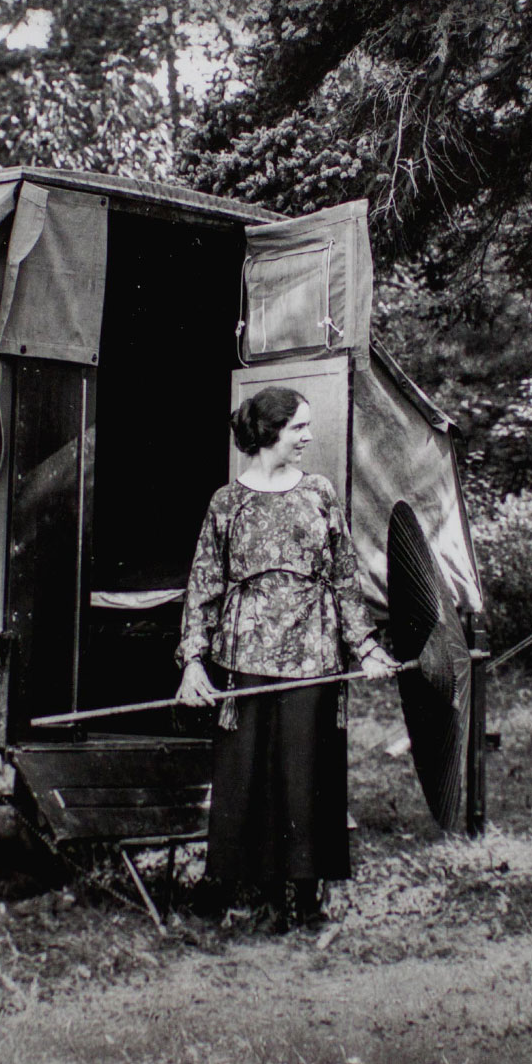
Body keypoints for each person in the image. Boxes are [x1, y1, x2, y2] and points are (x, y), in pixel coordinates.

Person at [177, 386, 398, 930]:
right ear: (270, 431)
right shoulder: (226, 503)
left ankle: (306, 897)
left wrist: (365, 647)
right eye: (299, 427)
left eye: (307, 426)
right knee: (248, 776)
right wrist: (193, 662)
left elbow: (345, 578)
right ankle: (248, 891)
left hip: (313, 657)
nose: (308, 436)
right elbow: (203, 585)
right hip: (244, 656)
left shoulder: (320, 493)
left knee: (305, 775)